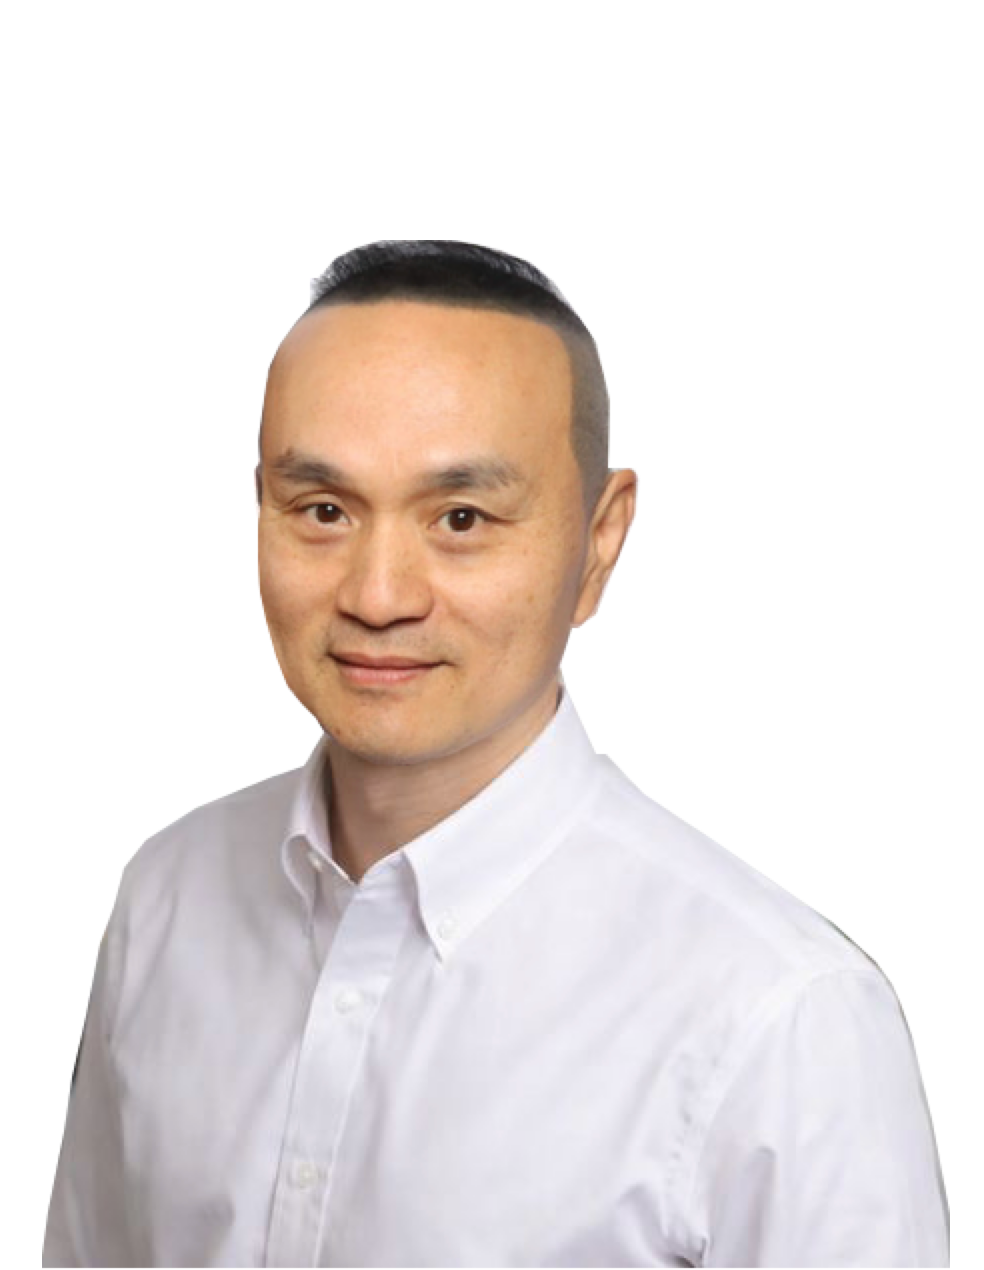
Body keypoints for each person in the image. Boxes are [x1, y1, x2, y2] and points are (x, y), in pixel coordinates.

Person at [43, 239, 949, 1267]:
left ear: (598, 544)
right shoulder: (166, 898)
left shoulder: (783, 1020)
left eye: (462, 518)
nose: (379, 595)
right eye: (324, 510)